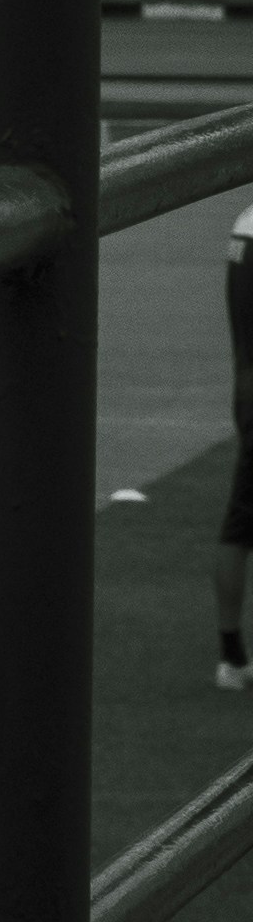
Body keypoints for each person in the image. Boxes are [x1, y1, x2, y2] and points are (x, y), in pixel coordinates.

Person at [221, 201, 253, 698]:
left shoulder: (247, 222)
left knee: (242, 521)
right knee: (240, 522)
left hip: (249, 386)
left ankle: (231, 653)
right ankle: (229, 656)